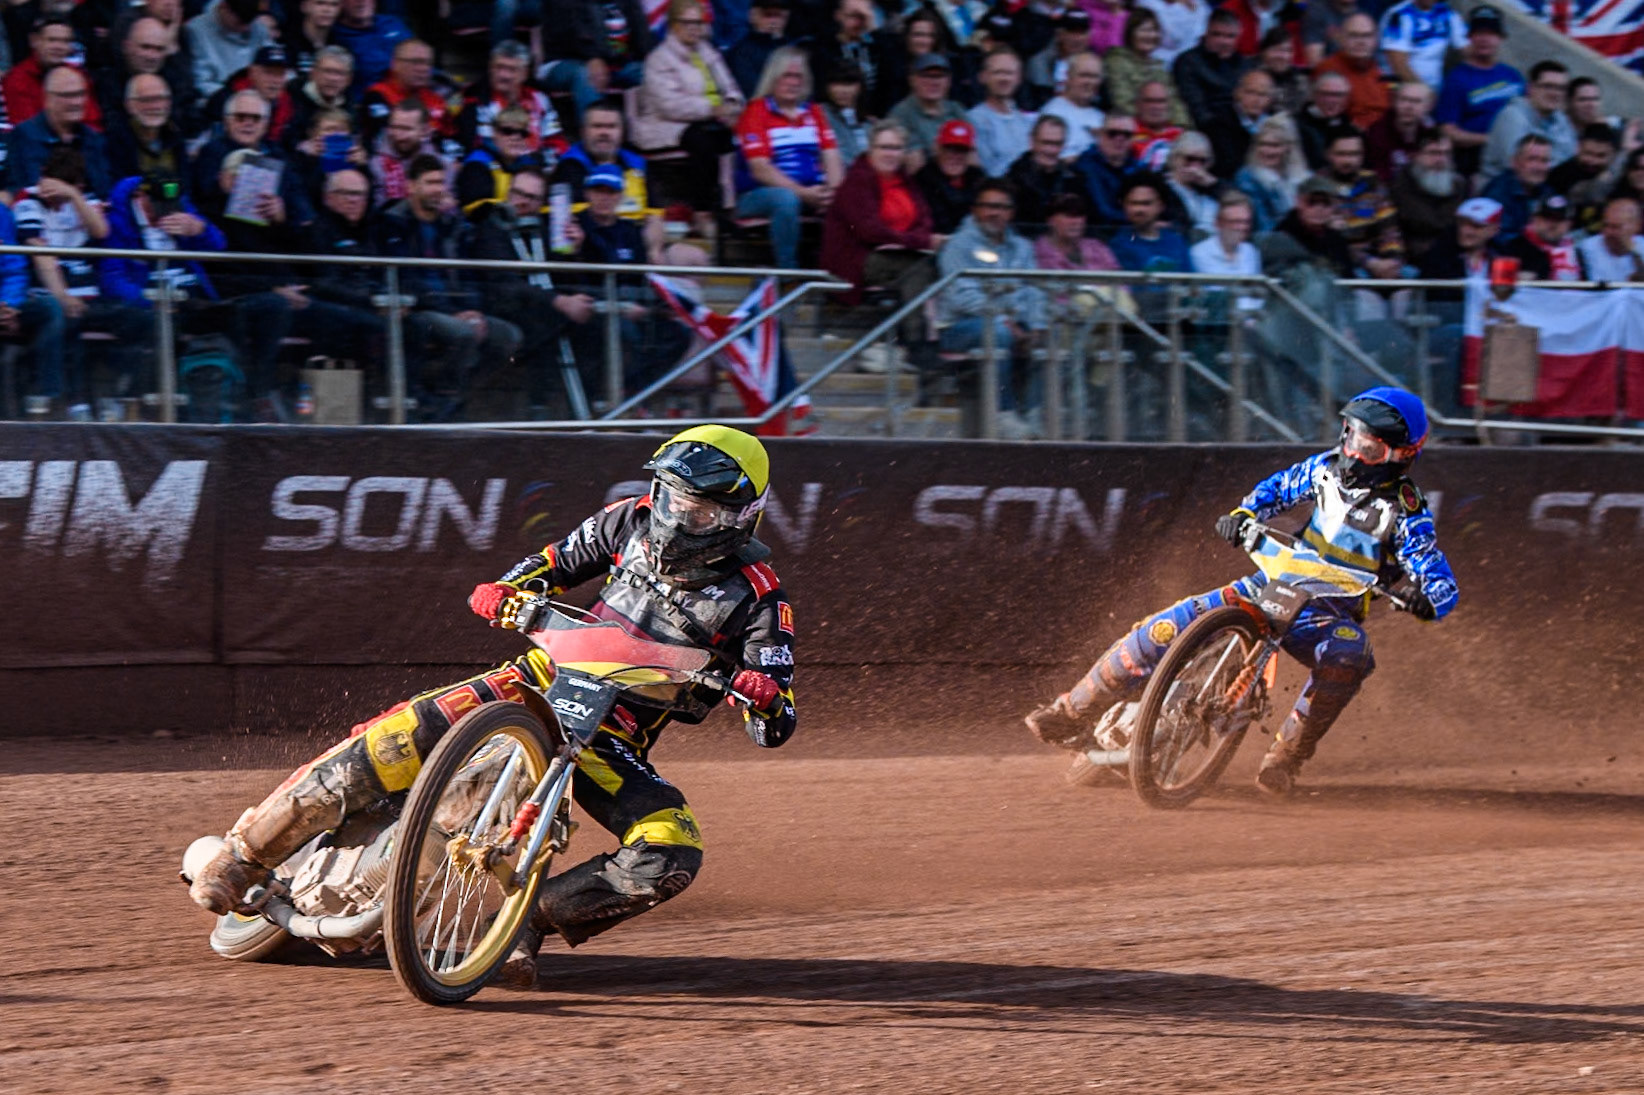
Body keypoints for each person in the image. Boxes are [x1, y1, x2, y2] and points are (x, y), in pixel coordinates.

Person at [187, 425, 799, 988]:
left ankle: (524, 920)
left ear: (741, 515)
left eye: (700, 509)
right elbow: (549, 566)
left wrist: (762, 698)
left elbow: (779, 723)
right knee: (391, 739)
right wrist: (508, 589)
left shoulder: (759, 597)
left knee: (672, 851)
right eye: (670, 498)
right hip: (532, 681)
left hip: (613, 737)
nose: (678, 517)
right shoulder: (625, 521)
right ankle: (245, 858)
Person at [1026, 387, 1458, 795]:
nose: (1352, 453)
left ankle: (1285, 758)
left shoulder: (1407, 512)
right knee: (1163, 628)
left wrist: (1427, 598)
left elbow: (1438, 577)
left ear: (1401, 456)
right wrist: (1244, 512)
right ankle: (1070, 712)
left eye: (1369, 449)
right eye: (1351, 437)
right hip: (1267, 584)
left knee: (1351, 655)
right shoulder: (1322, 468)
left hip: (1326, 612)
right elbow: (1274, 490)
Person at [374, 154, 524, 416]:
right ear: (411, 186)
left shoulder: (453, 226)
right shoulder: (392, 223)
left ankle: (459, 396)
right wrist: (454, 313)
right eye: (430, 182)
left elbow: (468, 273)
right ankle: (441, 400)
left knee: (509, 336)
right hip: (419, 309)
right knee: (462, 334)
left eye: (441, 182)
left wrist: (473, 310)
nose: (438, 189)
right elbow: (406, 280)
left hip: (457, 309)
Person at [13, 146, 152, 411]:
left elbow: (100, 231)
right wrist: (63, 296)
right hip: (51, 296)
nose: (56, 200)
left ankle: (126, 395)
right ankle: (72, 404)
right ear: (44, 175)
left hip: (91, 298)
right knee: (69, 320)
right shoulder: (27, 202)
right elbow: (40, 255)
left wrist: (73, 196)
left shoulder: (81, 199)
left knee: (142, 320)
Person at [936, 178, 1048, 437]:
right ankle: (1003, 414)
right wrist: (1007, 321)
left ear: (1011, 212)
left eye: (1001, 207)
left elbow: (1033, 290)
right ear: (974, 210)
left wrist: (1035, 325)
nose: (994, 213)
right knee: (998, 333)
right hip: (958, 328)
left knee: (1049, 336)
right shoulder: (958, 245)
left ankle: (1035, 413)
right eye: (987, 206)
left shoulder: (1022, 247)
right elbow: (962, 297)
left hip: (1011, 324)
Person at [821, 120, 940, 362]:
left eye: (896, 148)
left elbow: (925, 222)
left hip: (899, 253)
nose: (890, 154)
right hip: (856, 258)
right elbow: (868, 231)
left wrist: (911, 241)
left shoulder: (906, 182)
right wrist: (913, 241)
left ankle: (932, 335)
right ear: (871, 149)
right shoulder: (858, 180)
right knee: (917, 269)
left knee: (934, 263)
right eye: (884, 147)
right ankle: (916, 341)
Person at [633, 0, 745, 223]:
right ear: (674, 25)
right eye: (688, 23)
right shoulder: (659, 59)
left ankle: (732, 204)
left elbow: (731, 87)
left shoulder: (708, 52)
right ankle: (703, 211)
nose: (695, 28)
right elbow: (669, 105)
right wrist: (712, 109)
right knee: (703, 141)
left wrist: (732, 106)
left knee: (740, 137)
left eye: (699, 22)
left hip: (710, 119)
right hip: (667, 125)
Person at [733, 47, 844, 269]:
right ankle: (788, 270)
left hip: (812, 193)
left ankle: (839, 274)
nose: (793, 82)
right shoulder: (755, 112)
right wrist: (803, 193)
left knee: (850, 197)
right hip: (757, 195)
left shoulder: (814, 112)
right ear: (773, 78)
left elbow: (832, 157)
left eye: (798, 76)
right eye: (787, 75)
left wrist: (833, 192)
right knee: (785, 199)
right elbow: (760, 169)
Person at [1434, 5, 1521, 178]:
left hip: (1516, 157)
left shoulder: (1513, 75)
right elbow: (1448, 132)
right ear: (1470, 37)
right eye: (1479, 33)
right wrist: (1490, 139)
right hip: (1476, 161)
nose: (1484, 39)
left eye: (1490, 33)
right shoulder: (1456, 78)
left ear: (1500, 38)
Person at [4, 64, 113, 198]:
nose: (77, 102)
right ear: (47, 99)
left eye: (81, 94)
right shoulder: (24, 136)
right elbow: (32, 189)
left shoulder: (94, 138)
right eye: (68, 95)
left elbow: (104, 190)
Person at [536, 0, 653, 124]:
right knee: (587, 75)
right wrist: (592, 57)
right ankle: (596, 133)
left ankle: (661, 137)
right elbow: (566, 35)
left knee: (655, 73)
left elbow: (643, 40)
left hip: (617, 65)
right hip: (564, 62)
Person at [455, 40, 566, 162]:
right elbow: (483, 145)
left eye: (511, 69)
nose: (504, 75)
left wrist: (543, 164)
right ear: (490, 68)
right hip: (495, 168)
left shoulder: (539, 98)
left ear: (524, 74)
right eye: (499, 67)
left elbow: (555, 141)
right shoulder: (476, 100)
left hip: (536, 169)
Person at [1321, 129, 1404, 278]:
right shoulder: (1318, 187)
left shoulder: (1373, 183)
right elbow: (1329, 243)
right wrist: (1369, 263)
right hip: (1343, 265)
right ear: (1328, 155)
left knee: (1411, 285)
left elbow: (1389, 230)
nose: (1348, 161)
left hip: (1380, 261)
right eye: (1341, 154)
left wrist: (1392, 261)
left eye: (1354, 154)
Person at [1481, 60, 1575, 182]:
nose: (1555, 93)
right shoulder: (1512, 116)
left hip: (1542, 187)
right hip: (1502, 188)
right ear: (1530, 88)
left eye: (1561, 88)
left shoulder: (1560, 119)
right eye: (1548, 86)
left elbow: (1571, 157)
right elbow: (1519, 166)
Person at [4, 16, 101, 131]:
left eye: (65, 41)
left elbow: (93, 124)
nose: (59, 47)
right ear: (34, 41)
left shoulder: (78, 76)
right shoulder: (17, 79)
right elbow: (26, 129)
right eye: (52, 40)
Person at [1104, 9, 1191, 124]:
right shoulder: (1116, 61)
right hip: (1133, 128)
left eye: (1154, 30)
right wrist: (1156, 120)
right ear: (1130, 33)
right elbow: (1122, 103)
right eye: (1144, 30)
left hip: (1165, 128)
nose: (1150, 35)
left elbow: (1175, 103)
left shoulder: (1159, 66)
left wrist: (1184, 127)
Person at [454, 105, 547, 212]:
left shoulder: (531, 165)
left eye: (522, 133)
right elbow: (476, 212)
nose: (516, 137)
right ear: (494, 133)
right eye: (507, 131)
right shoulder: (477, 165)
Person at [1390, 127, 1464, 261]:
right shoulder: (1401, 184)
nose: (1441, 160)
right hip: (1412, 257)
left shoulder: (1459, 185)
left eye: (1446, 153)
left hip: (1451, 256)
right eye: (1434, 153)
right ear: (1416, 155)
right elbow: (1421, 222)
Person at [361, 38, 453, 145]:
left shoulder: (437, 99)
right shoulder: (378, 95)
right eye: (416, 62)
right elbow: (385, 139)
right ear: (395, 64)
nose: (423, 68)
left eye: (428, 63)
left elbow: (451, 137)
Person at [887, 52, 968, 171]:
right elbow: (915, 161)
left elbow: (972, 149)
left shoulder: (956, 109)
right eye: (926, 76)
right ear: (912, 80)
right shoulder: (901, 114)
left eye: (939, 76)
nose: (934, 82)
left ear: (949, 81)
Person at [184, 0, 272, 108]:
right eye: (240, 22)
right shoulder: (196, 31)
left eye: (250, 21)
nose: (246, 28)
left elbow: (274, 64)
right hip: (217, 102)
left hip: (260, 98)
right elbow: (201, 82)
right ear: (224, 8)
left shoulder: (258, 28)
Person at [1172, 8, 1246, 131]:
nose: (1223, 41)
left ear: (1239, 36)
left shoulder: (1245, 65)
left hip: (1243, 128)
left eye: (1230, 36)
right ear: (1206, 33)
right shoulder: (1188, 62)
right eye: (1217, 34)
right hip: (1203, 129)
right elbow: (1196, 108)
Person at [105, 73, 186, 186]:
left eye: (160, 98)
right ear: (129, 105)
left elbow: (185, 187)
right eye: (146, 100)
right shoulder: (116, 140)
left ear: (169, 103)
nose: (155, 106)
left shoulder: (175, 134)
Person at [1313, 13, 1389, 131]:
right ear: (1341, 38)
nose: (1360, 42)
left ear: (1375, 40)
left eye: (1366, 36)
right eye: (1354, 36)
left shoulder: (1382, 69)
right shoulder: (1327, 69)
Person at [967, 46, 1034, 177]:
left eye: (1009, 73)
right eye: (998, 72)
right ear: (983, 77)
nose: (1004, 79)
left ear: (1019, 78)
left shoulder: (1026, 120)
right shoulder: (973, 120)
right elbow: (989, 171)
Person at [1009, 114, 1086, 228]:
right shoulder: (1013, 180)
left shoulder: (1074, 180)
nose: (1051, 150)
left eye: (1057, 144)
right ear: (1032, 141)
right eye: (1046, 143)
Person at [1233, 113, 1306, 231]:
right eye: (1262, 144)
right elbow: (1263, 226)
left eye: (1275, 146)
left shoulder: (1303, 177)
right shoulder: (1247, 178)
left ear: (1288, 148)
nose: (1268, 151)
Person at [913, 119, 985, 234]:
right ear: (938, 148)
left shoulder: (978, 177)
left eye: (962, 150)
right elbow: (939, 225)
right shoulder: (924, 179)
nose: (955, 156)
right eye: (949, 149)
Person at [1379, 0, 1466, 91]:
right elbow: (1398, 65)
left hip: (1434, 87)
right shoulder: (1399, 14)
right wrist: (1425, 92)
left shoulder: (1446, 12)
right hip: (1397, 85)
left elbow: (1467, 48)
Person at [1480, 132, 1552, 242]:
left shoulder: (1547, 191)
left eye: (1544, 161)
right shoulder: (1497, 193)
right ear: (1514, 162)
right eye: (1532, 159)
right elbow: (1499, 239)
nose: (1539, 167)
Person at [1206, 68, 1274, 180]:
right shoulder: (1218, 125)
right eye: (1251, 93)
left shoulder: (1276, 124)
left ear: (1270, 99)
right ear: (1237, 93)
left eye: (1263, 95)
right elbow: (1227, 167)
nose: (1257, 100)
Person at [331, 0, 413, 93]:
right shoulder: (335, 36)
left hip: (411, 93)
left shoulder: (392, 23)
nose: (361, 2)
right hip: (370, 99)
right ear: (342, 3)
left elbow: (417, 54)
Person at [1074, 111, 1140, 226]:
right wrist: (1144, 220)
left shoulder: (1138, 168)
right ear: (1100, 135)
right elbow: (1103, 213)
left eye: (1127, 134)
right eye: (1112, 133)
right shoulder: (1086, 167)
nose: (1120, 139)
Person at [1039, 51, 1105, 162]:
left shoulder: (1101, 117)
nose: (1089, 82)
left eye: (1094, 77)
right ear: (1068, 77)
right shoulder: (1053, 112)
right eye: (1083, 75)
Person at [1365, 81, 1433, 184]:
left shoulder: (1431, 134)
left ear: (1428, 107)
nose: (1409, 107)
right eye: (1404, 100)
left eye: (1416, 101)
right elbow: (1378, 177)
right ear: (1394, 102)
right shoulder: (1378, 133)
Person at [1499, 194, 1580, 281]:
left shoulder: (1578, 250)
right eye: (1547, 218)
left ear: (1569, 224)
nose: (1552, 225)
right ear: (1534, 219)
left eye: (1559, 219)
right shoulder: (1514, 249)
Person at [726, 0, 795, 101]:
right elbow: (753, 93)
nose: (774, 21)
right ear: (753, 16)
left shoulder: (791, 48)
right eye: (768, 15)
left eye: (779, 16)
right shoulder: (741, 53)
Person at [1161, 130, 1220, 238]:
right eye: (1190, 159)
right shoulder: (1162, 188)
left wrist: (1214, 185)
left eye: (1202, 161)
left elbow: (1236, 203)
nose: (1195, 166)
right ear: (1174, 159)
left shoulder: (1211, 187)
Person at [1295, 71, 1357, 170]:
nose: (1332, 100)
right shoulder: (1296, 126)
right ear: (1314, 95)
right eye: (1326, 94)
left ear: (1347, 98)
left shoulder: (1350, 128)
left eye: (1339, 95)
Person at [1577, 197, 1644, 283]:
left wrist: (1635, 255)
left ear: (1636, 226)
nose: (1608, 232)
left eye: (1616, 227)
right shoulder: (1587, 248)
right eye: (1606, 225)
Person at [818, 62, 869, 169]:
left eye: (849, 84)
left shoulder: (869, 123)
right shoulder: (818, 114)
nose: (843, 91)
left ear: (860, 87)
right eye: (837, 84)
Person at [1131, 79, 1186, 170]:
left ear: (1169, 105)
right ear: (1138, 104)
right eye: (1149, 101)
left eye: (1161, 101)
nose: (1155, 107)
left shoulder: (1181, 136)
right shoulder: (1126, 132)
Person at [1138, 0, 1209, 67]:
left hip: (1196, 63)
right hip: (1161, 63)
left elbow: (1204, 32)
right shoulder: (1148, 4)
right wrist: (1181, 6)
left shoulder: (1198, 4)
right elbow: (1173, 38)